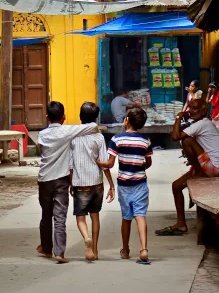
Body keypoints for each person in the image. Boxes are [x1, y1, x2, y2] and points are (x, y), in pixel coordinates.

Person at [37, 101, 98, 264]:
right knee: (60, 216)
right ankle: (59, 252)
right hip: (61, 180)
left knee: (46, 214)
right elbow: (93, 127)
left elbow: (40, 149)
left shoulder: (42, 134)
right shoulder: (68, 131)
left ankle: (46, 247)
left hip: (44, 179)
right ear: (63, 117)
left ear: (47, 117)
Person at [155, 99, 219, 236]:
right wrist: (181, 121)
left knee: (187, 140)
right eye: (190, 108)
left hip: (213, 167)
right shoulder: (200, 124)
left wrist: (178, 117)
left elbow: (176, 136)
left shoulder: (203, 123)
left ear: (204, 110)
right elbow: (176, 132)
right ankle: (181, 223)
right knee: (176, 186)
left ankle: (198, 173)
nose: (192, 111)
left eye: (195, 108)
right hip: (209, 165)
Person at [97, 108, 153, 263]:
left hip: (124, 185)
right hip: (140, 183)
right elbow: (148, 162)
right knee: (140, 216)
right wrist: (138, 167)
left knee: (126, 218)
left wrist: (98, 161)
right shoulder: (145, 140)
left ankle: (126, 250)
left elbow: (109, 163)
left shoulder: (117, 139)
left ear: (126, 120)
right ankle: (143, 249)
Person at [70, 102, 115, 262]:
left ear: (80, 117)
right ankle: (95, 250)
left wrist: (71, 183)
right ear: (95, 118)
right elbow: (104, 163)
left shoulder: (74, 138)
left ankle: (86, 238)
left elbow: (70, 165)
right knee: (95, 216)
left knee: (80, 217)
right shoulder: (99, 137)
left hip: (80, 183)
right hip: (96, 183)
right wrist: (111, 184)